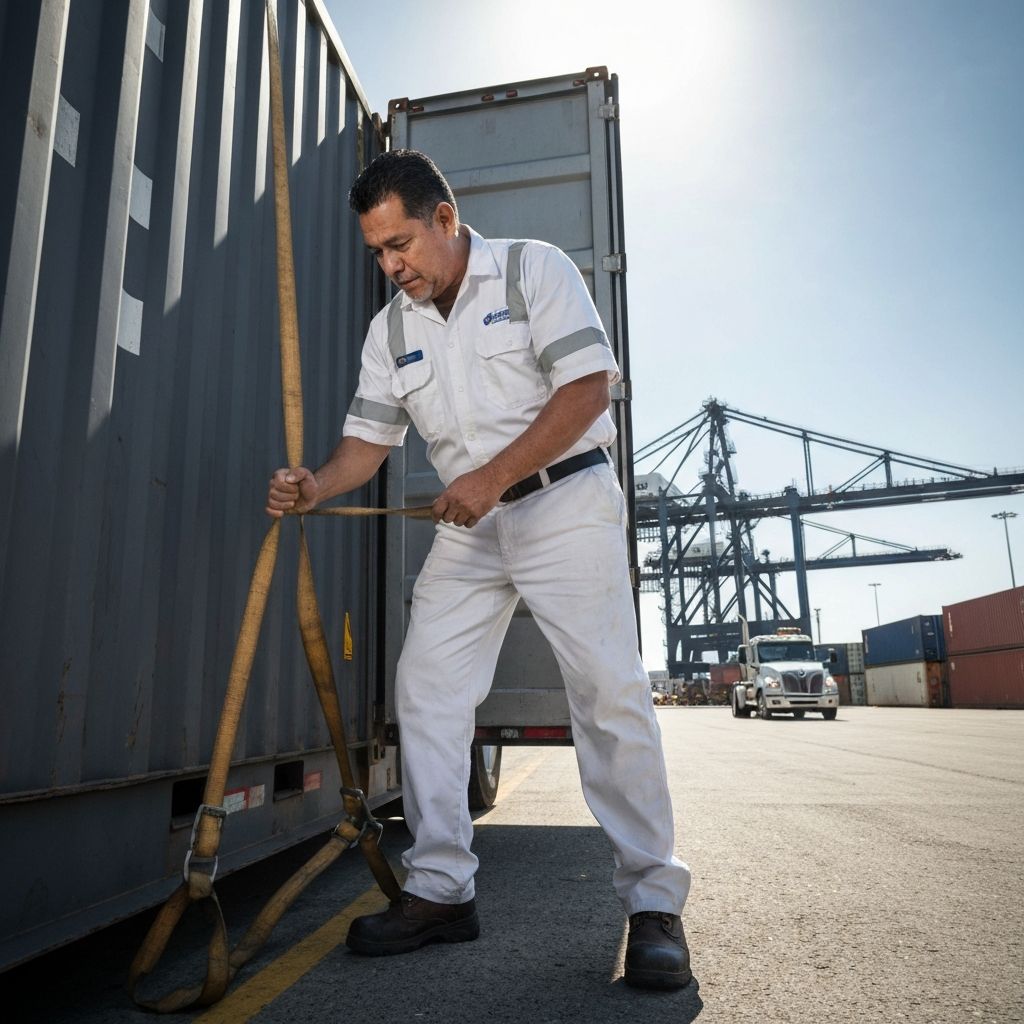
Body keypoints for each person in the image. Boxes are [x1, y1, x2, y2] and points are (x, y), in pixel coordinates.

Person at [266, 149, 691, 989]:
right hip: (471, 527)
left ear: (446, 220)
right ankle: (441, 892)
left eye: (401, 244)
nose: (391, 266)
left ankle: (653, 905)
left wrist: (493, 477)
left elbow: (587, 392)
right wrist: (316, 483)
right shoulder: (390, 331)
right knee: (425, 687)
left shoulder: (534, 271)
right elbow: (369, 443)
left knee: (608, 692)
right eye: (377, 252)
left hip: (562, 501)